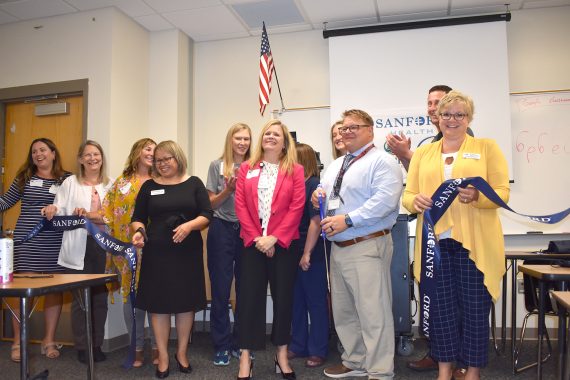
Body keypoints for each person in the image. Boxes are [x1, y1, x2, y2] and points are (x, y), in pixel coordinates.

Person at [402, 90, 510, 380]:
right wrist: (415, 202)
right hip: (433, 245)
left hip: (475, 244)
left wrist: (478, 195)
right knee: (442, 312)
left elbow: (502, 192)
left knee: (475, 312)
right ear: (438, 118)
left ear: (469, 118)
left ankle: (472, 372)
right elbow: (408, 194)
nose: (452, 120)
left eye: (459, 114)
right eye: (446, 114)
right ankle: (445, 370)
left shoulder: (487, 147)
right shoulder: (423, 153)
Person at [313, 109, 403, 379]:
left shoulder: (383, 161)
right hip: (338, 247)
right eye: (344, 128)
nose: (347, 132)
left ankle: (379, 370)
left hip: (366, 243)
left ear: (370, 130)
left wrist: (348, 220)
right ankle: (355, 361)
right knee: (344, 311)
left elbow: (385, 202)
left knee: (373, 312)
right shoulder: (336, 165)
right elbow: (329, 196)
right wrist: (318, 197)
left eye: (354, 127)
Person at [131, 140, 212, 379]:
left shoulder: (194, 183)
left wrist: (189, 226)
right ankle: (164, 356)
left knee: (185, 304)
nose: (163, 163)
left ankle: (182, 353)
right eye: (158, 160)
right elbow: (137, 218)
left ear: (178, 158)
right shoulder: (148, 187)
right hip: (157, 252)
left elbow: (207, 215)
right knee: (159, 305)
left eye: (167, 158)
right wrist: (138, 232)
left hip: (187, 252)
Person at [234, 119, 305, 380]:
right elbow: (241, 206)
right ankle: (245, 358)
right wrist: (258, 239)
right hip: (252, 244)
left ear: (285, 142)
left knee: (284, 300)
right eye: (267, 133)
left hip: (284, 244)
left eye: (276, 134)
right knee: (249, 300)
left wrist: (275, 238)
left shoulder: (295, 170)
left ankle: (282, 355)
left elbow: (297, 207)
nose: (270, 137)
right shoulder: (247, 168)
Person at [0, 138, 70, 362]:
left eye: (42, 150)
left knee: (53, 292)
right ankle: (18, 342)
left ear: (52, 153)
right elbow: (5, 202)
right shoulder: (24, 178)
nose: (38, 154)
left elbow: (74, 205)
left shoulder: (67, 179)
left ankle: (48, 340)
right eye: (34, 152)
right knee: (24, 292)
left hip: (55, 244)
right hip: (27, 244)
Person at [43, 140, 113, 364]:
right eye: (88, 155)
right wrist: (52, 209)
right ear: (81, 159)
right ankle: (83, 346)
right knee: (80, 299)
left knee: (99, 297)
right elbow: (59, 208)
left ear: (102, 158)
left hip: (102, 247)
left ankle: (97, 344)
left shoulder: (110, 185)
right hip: (77, 247)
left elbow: (114, 216)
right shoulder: (70, 183)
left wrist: (92, 215)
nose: (93, 158)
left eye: (97, 154)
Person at [101, 138, 157, 367]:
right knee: (131, 298)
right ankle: (137, 347)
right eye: (147, 148)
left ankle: (156, 346)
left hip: (154, 247)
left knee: (154, 297)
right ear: (137, 151)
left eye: (155, 149)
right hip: (127, 248)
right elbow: (106, 210)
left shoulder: (160, 180)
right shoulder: (121, 182)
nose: (151, 153)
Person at [205, 123, 252, 366]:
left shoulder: (255, 166)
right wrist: (228, 190)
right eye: (238, 138)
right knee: (221, 291)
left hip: (247, 231)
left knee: (246, 290)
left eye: (246, 138)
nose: (242, 142)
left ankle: (241, 343)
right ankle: (222, 345)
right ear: (230, 140)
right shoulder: (217, 166)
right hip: (221, 229)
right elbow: (211, 205)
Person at [288, 143, 330, 368]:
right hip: (292, 249)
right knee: (296, 301)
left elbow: (315, 222)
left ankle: (318, 349)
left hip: (310, 249)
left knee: (315, 301)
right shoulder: (295, 185)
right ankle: (298, 344)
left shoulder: (313, 184)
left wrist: (307, 253)